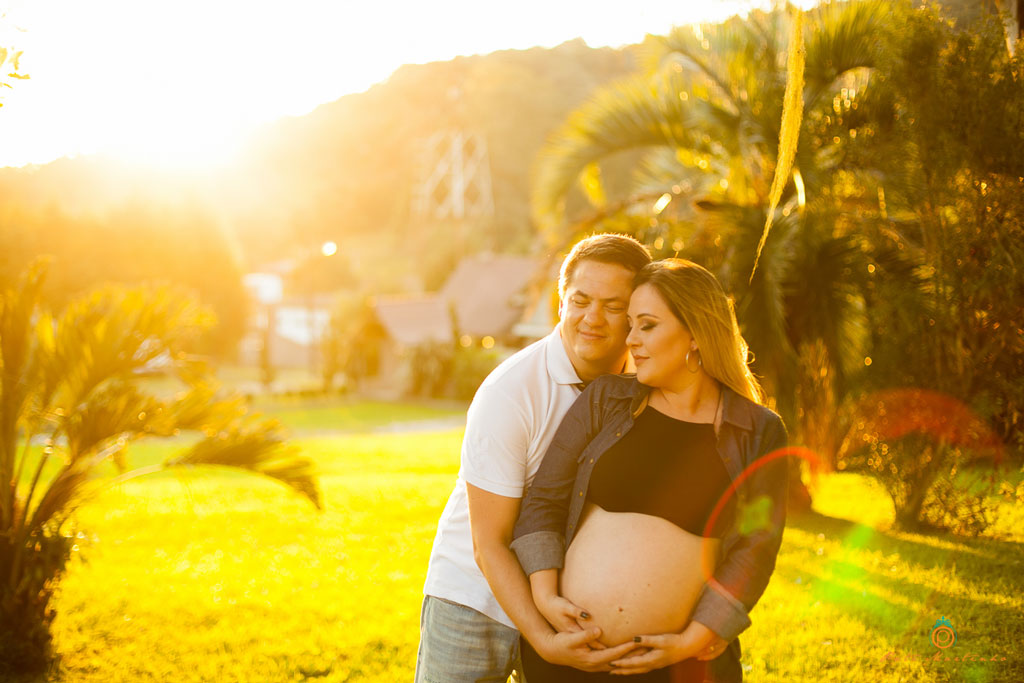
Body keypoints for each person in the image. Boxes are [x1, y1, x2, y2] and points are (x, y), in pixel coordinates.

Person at [510, 259, 789, 682]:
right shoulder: (606, 400)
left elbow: (756, 546)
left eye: (647, 326)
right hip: (571, 657)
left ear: (694, 335)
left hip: (682, 668)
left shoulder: (756, 430)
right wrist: (547, 600)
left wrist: (693, 640)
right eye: (631, 325)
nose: (631, 340)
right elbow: (544, 500)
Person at [415, 234, 653, 683]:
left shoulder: (647, 389)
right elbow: (489, 545)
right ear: (559, 301)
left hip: (570, 603)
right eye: (580, 300)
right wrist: (541, 637)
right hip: (475, 600)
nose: (593, 318)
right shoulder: (512, 392)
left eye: (613, 305)